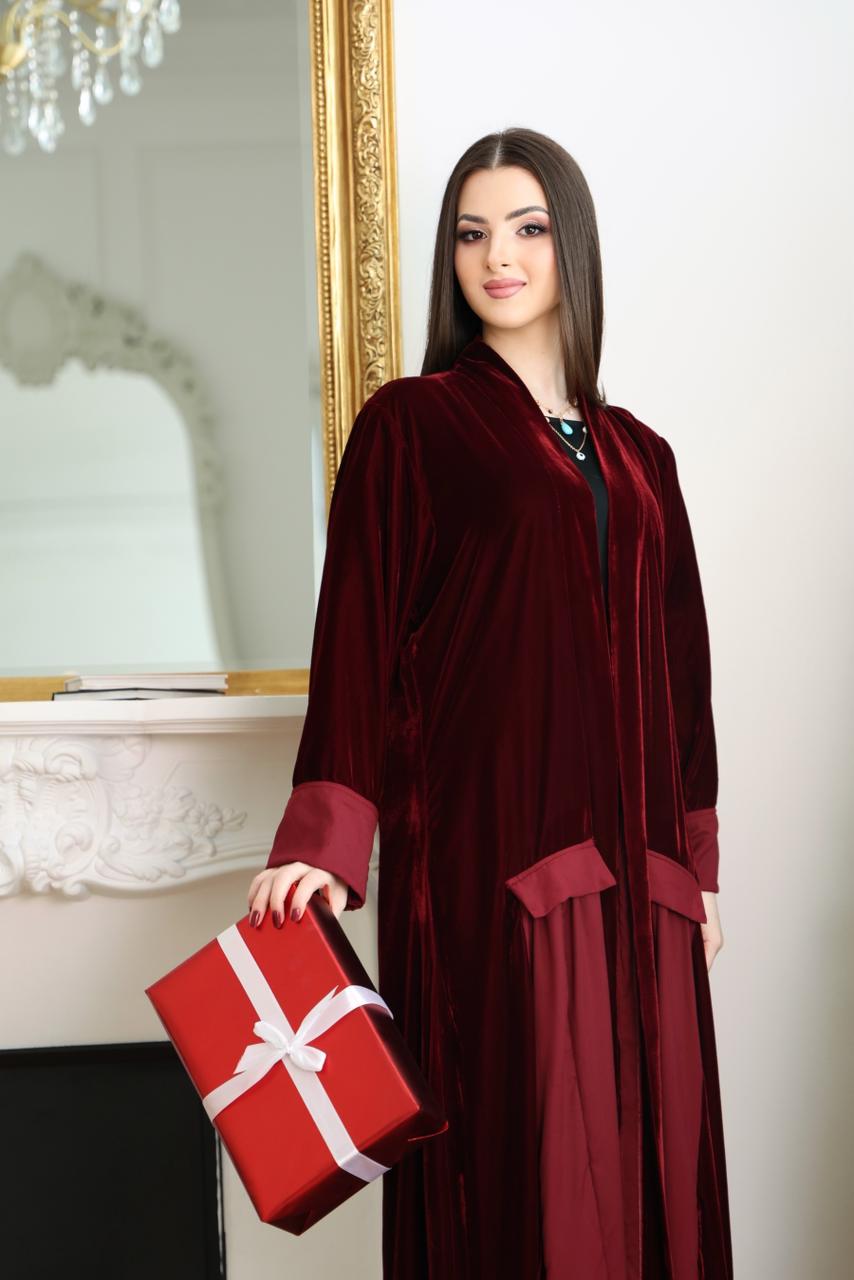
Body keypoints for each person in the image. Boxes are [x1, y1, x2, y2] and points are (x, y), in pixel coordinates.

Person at [247, 126, 733, 1279]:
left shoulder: (642, 455)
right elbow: (357, 631)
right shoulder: (412, 426)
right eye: (470, 234)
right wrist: (325, 835)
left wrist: (696, 865)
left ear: (572, 244)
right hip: (491, 872)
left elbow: (683, 664)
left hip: (643, 884)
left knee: (652, 1169)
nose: (496, 256)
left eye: (525, 228)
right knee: (518, 1175)